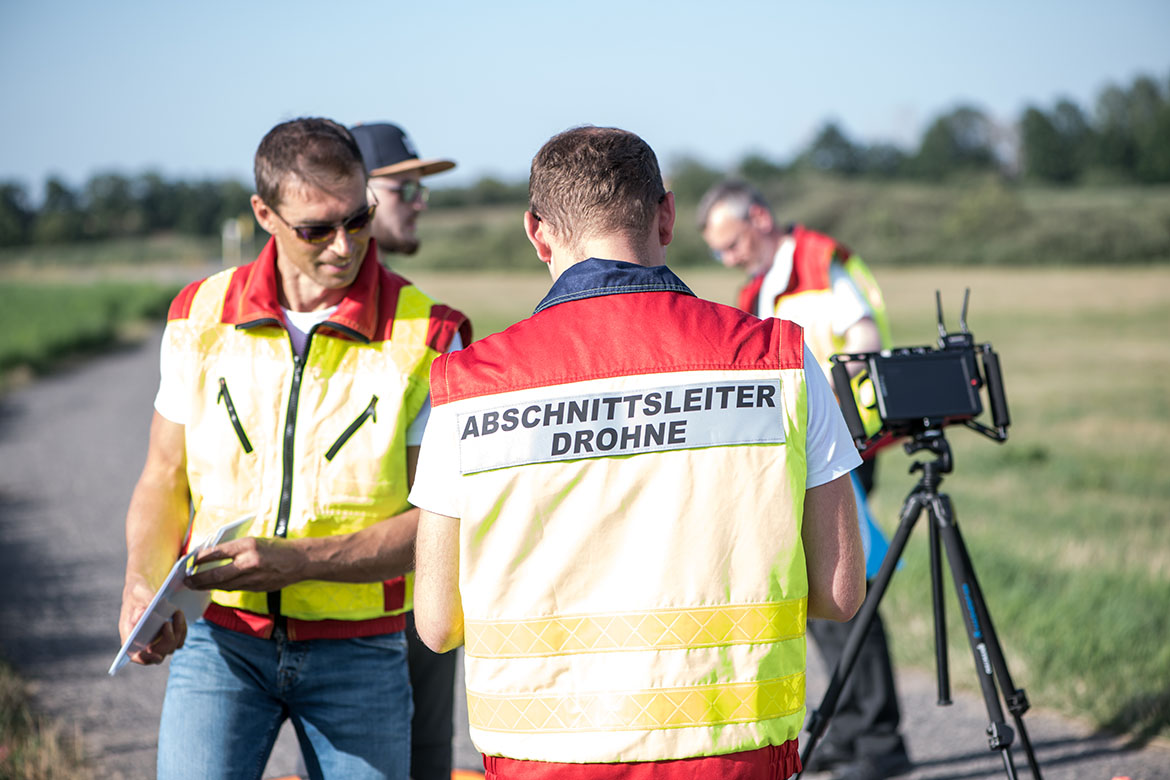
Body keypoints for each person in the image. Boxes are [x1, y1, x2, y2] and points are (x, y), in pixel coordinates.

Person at [409, 126, 867, 780]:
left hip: (543, 758)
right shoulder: (780, 361)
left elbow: (436, 624)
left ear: (537, 233)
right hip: (732, 750)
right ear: (668, 215)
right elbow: (840, 591)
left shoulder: (469, 386)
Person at [118, 117, 470, 780]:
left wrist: (296, 562)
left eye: (359, 218)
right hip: (219, 642)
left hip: (362, 653)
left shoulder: (432, 333)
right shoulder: (199, 313)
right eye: (317, 229)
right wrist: (143, 583)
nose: (345, 246)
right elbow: (163, 478)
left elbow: (438, 524)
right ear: (264, 214)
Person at [698, 180, 911, 780]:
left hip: (845, 447)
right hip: (796, 455)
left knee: (849, 584)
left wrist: (839, 423)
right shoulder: (758, 286)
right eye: (719, 251)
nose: (729, 258)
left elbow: (863, 340)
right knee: (813, 588)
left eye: (732, 242)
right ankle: (846, 727)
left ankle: (878, 740)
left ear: (760, 218)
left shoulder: (820, 265)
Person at [350, 120, 462, 780]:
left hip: (423, 587)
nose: (419, 202)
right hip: (353, 603)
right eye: (405, 188)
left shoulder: (423, 319)